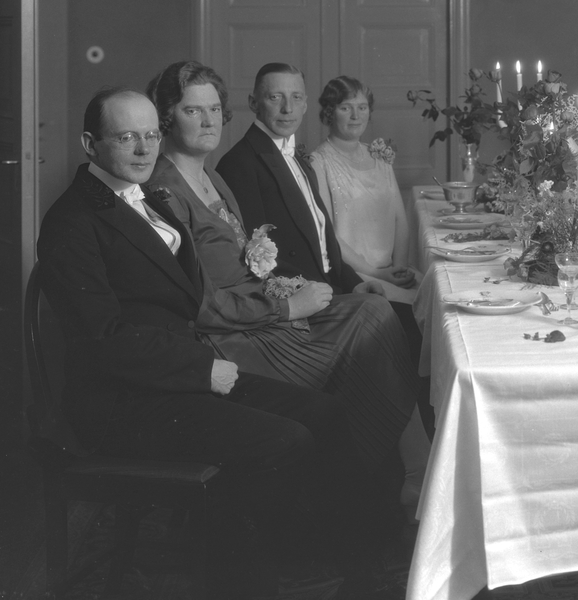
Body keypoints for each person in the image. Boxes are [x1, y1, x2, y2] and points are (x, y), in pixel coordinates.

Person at [36, 88, 386, 597]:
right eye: (127, 137)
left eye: (151, 135)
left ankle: (355, 569)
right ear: (91, 144)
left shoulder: (149, 198)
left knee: (325, 412)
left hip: (178, 375)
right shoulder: (72, 221)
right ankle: (244, 582)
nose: (144, 149)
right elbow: (102, 340)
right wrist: (202, 369)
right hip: (124, 401)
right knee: (282, 442)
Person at [144, 62, 430, 513]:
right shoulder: (165, 191)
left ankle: (376, 477)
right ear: (166, 117)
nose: (208, 121)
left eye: (214, 109)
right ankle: (372, 483)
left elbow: (256, 265)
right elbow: (197, 302)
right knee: (373, 326)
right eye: (192, 111)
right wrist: (289, 307)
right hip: (234, 340)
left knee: (372, 314)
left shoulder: (212, 178)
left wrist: (313, 291)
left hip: (259, 312)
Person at [214, 62, 423, 362]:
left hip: (335, 285)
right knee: (407, 327)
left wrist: (356, 283)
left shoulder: (297, 159)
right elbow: (257, 263)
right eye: (275, 97)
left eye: (296, 97)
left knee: (419, 322)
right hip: (304, 300)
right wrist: (319, 297)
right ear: (253, 103)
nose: (288, 108)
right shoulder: (240, 164)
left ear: (306, 104)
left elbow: (323, 241)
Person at [308, 76, 421, 311]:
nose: (355, 116)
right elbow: (328, 235)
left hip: (391, 271)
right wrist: (377, 274)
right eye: (345, 108)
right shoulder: (319, 162)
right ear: (329, 112)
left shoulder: (379, 155)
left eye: (362, 107)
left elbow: (400, 220)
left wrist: (398, 269)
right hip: (356, 276)